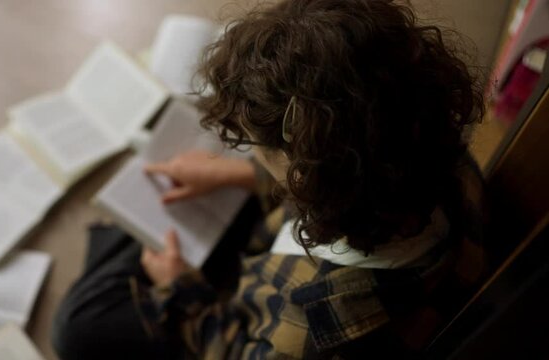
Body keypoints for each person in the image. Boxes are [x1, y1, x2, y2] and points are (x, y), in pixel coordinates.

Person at [52, 0, 487, 358]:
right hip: (295, 244)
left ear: (308, 176)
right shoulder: (440, 157)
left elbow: (234, 349)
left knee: (77, 329)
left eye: (256, 148)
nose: (250, 150)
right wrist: (241, 175)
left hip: (250, 306)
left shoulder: (302, 335)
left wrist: (179, 286)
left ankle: (135, 247)